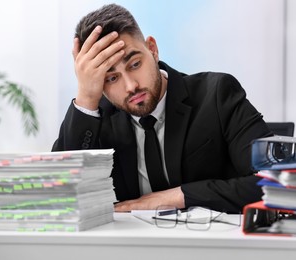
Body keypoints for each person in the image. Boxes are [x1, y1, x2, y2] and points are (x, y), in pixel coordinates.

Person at [52, 3, 272, 213]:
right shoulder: (97, 116)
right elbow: (58, 196)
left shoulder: (217, 94)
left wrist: (177, 197)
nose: (131, 86)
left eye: (135, 64)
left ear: (153, 49)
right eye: (111, 78)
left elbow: (275, 181)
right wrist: (86, 97)